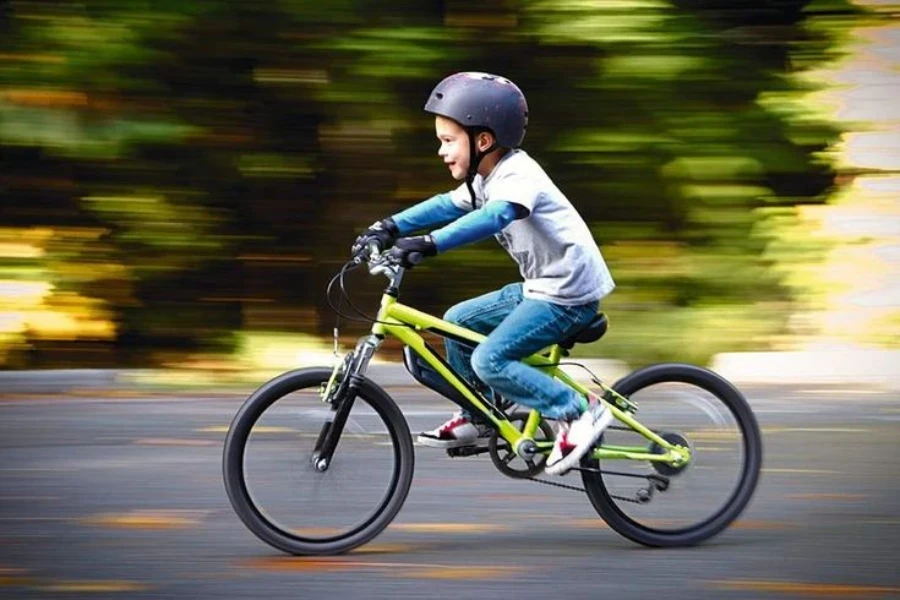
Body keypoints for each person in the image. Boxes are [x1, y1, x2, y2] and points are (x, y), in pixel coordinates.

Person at [351, 72, 616, 475]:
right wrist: (388, 227)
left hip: (568, 295)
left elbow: (496, 216)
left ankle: (580, 412)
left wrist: (431, 243)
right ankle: (479, 415)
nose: (441, 151)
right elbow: (444, 205)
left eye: (448, 140)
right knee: (458, 323)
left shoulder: (517, 175)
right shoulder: (484, 178)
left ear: (483, 141)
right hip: (539, 287)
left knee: (490, 360)